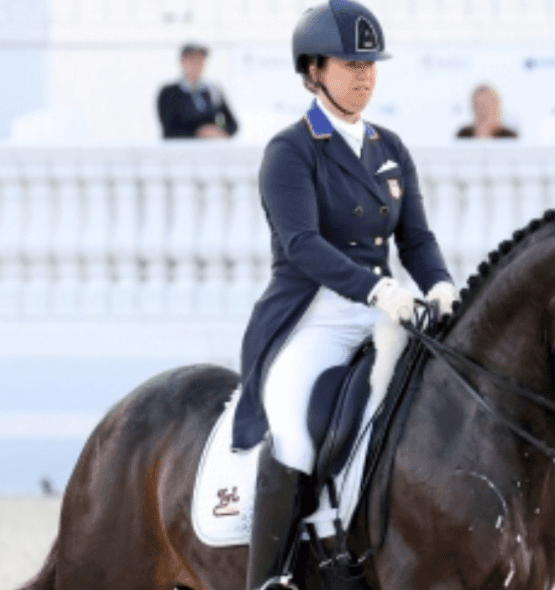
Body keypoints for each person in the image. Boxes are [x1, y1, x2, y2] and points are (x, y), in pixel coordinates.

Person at [235, 2, 457, 588]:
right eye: (350, 64)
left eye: (370, 64)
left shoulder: (390, 148)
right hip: (312, 315)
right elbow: (301, 244)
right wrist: (376, 288)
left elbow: (416, 238)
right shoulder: (291, 150)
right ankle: (270, 579)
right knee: (292, 434)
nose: (364, 76)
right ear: (314, 70)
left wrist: (440, 283)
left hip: (386, 312)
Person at [157, 41, 240, 139]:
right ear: (183, 61)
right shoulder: (169, 93)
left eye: (200, 60)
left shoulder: (212, 91)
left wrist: (218, 131)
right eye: (192, 60)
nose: (197, 65)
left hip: (209, 147)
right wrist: (198, 133)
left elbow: (232, 125)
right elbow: (169, 131)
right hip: (182, 147)